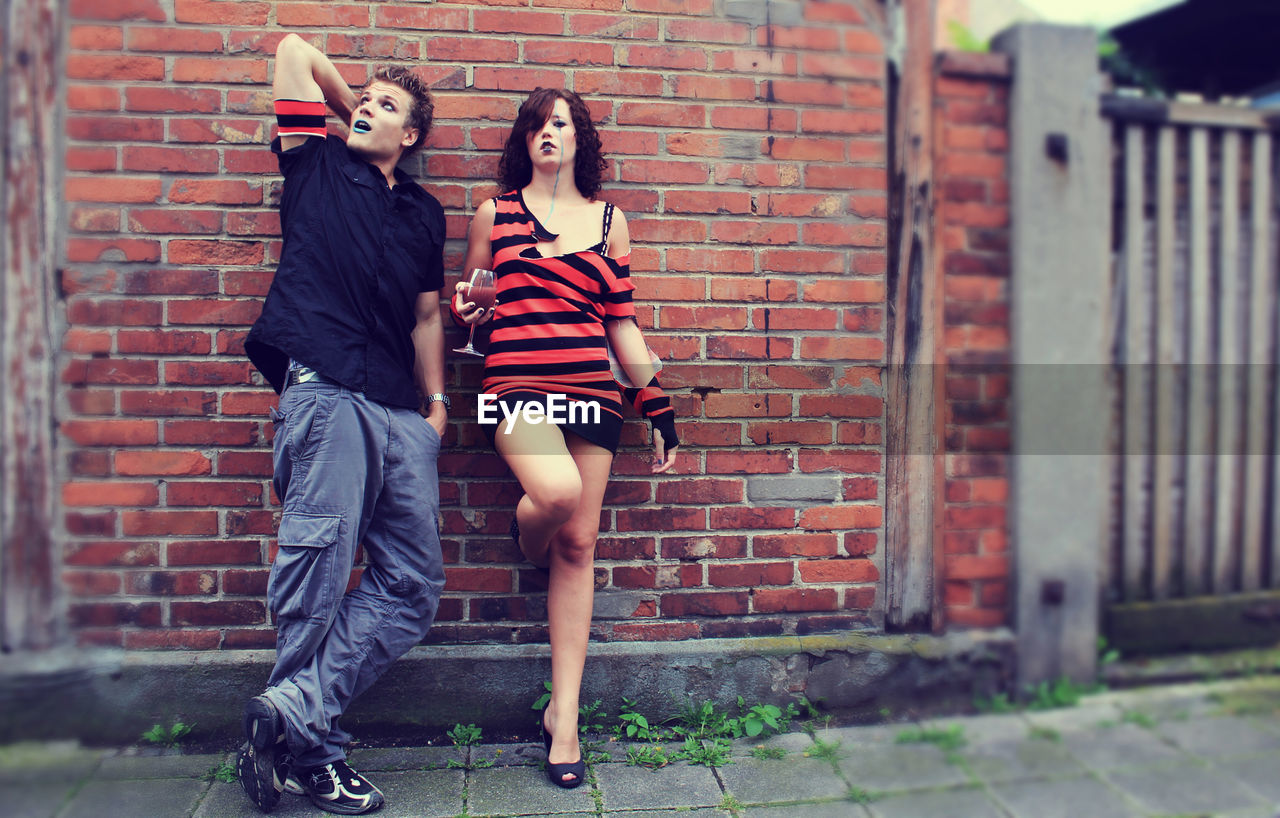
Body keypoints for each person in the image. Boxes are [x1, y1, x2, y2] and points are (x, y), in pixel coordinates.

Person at [237, 33, 449, 816]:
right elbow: (293, 50)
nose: (365, 107)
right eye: (361, 99)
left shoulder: (427, 212)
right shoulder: (314, 162)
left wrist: (436, 409)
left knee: (414, 586)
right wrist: (357, 106)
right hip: (325, 396)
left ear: (414, 137)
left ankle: (288, 713)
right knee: (316, 583)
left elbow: (428, 316)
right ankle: (312, 758)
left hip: (400, 414)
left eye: (386, 106)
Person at [452, 87, 679, 789]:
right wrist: (470, 310)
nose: (549, 132)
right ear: (524, 140)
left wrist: (655, 400)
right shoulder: (496, 213)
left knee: (580, 542)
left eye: (562, 122)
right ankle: (529, 540)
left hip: (594, 394)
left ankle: (566, 715)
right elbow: (470, 306)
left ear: (580, 139)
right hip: (516, 387)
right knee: (555, 495)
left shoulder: (612, 223)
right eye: (538, 123)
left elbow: (621, 323)